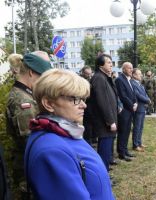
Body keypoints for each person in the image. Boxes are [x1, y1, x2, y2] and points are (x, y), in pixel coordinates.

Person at [24, 69, 115, 200]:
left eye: (83, 98)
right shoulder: (52, 151)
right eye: (75, 99)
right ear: (49, 103)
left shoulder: (62, 132)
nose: (84, 105)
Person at [5, 51, 52, 198]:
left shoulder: (26, 94)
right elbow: (30, 140)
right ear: (31, 73)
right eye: (42, 77)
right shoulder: (22, 101)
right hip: (29, 172)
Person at [88, 54, 118, 171]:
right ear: (100, 65)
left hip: (107, 121)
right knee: (104, 151)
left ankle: (105, 173)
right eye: (108, 62)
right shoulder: (99, 78)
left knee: (107, 150)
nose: (111, 65)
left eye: (111, 62)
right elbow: (102, 101)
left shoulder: (104, 77)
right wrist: (110, 121)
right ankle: (103, 175)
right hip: (104, 122)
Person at [115, 62, 137, 161]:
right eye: (129, 68)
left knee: (127, 130)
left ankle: (125, 150)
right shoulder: (120, 79)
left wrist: (135, 102)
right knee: (122, 131)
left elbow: (132, 93)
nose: (131, 70)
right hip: (124, 110)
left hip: (130, 109)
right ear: (124, 69)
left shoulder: (128, 79)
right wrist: (132, 105)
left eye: (132, 68)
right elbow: (123, 96)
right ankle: (121, 152)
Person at [131, 68, 150, 152]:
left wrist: (148, 99)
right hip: (138, 108)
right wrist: (147, 100)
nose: (141, 75)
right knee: (137, 127)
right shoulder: (132, 83)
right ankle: (135, 145)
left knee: (141, 127)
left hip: (142, 107)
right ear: (134, 75)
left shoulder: (139, 84)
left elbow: (145, 93)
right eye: (139, 74)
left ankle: (139, 142)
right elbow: (137, 95)